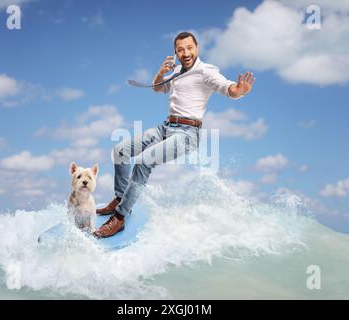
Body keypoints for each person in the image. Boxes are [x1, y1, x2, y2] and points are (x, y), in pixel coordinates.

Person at [94, 31, 256, 238]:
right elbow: (158, 89)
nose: (185, 52)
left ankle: (119, 217)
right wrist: (161, 73)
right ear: (176, 52)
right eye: (181, 49)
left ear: (196, 48)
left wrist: (238, 90)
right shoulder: (178, 71)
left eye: (189, 48)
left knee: (144, 161)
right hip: (166, 127)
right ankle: (120, 198)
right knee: (121, 150)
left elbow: (227, 88)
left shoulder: (207, 71)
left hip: (187, 134)